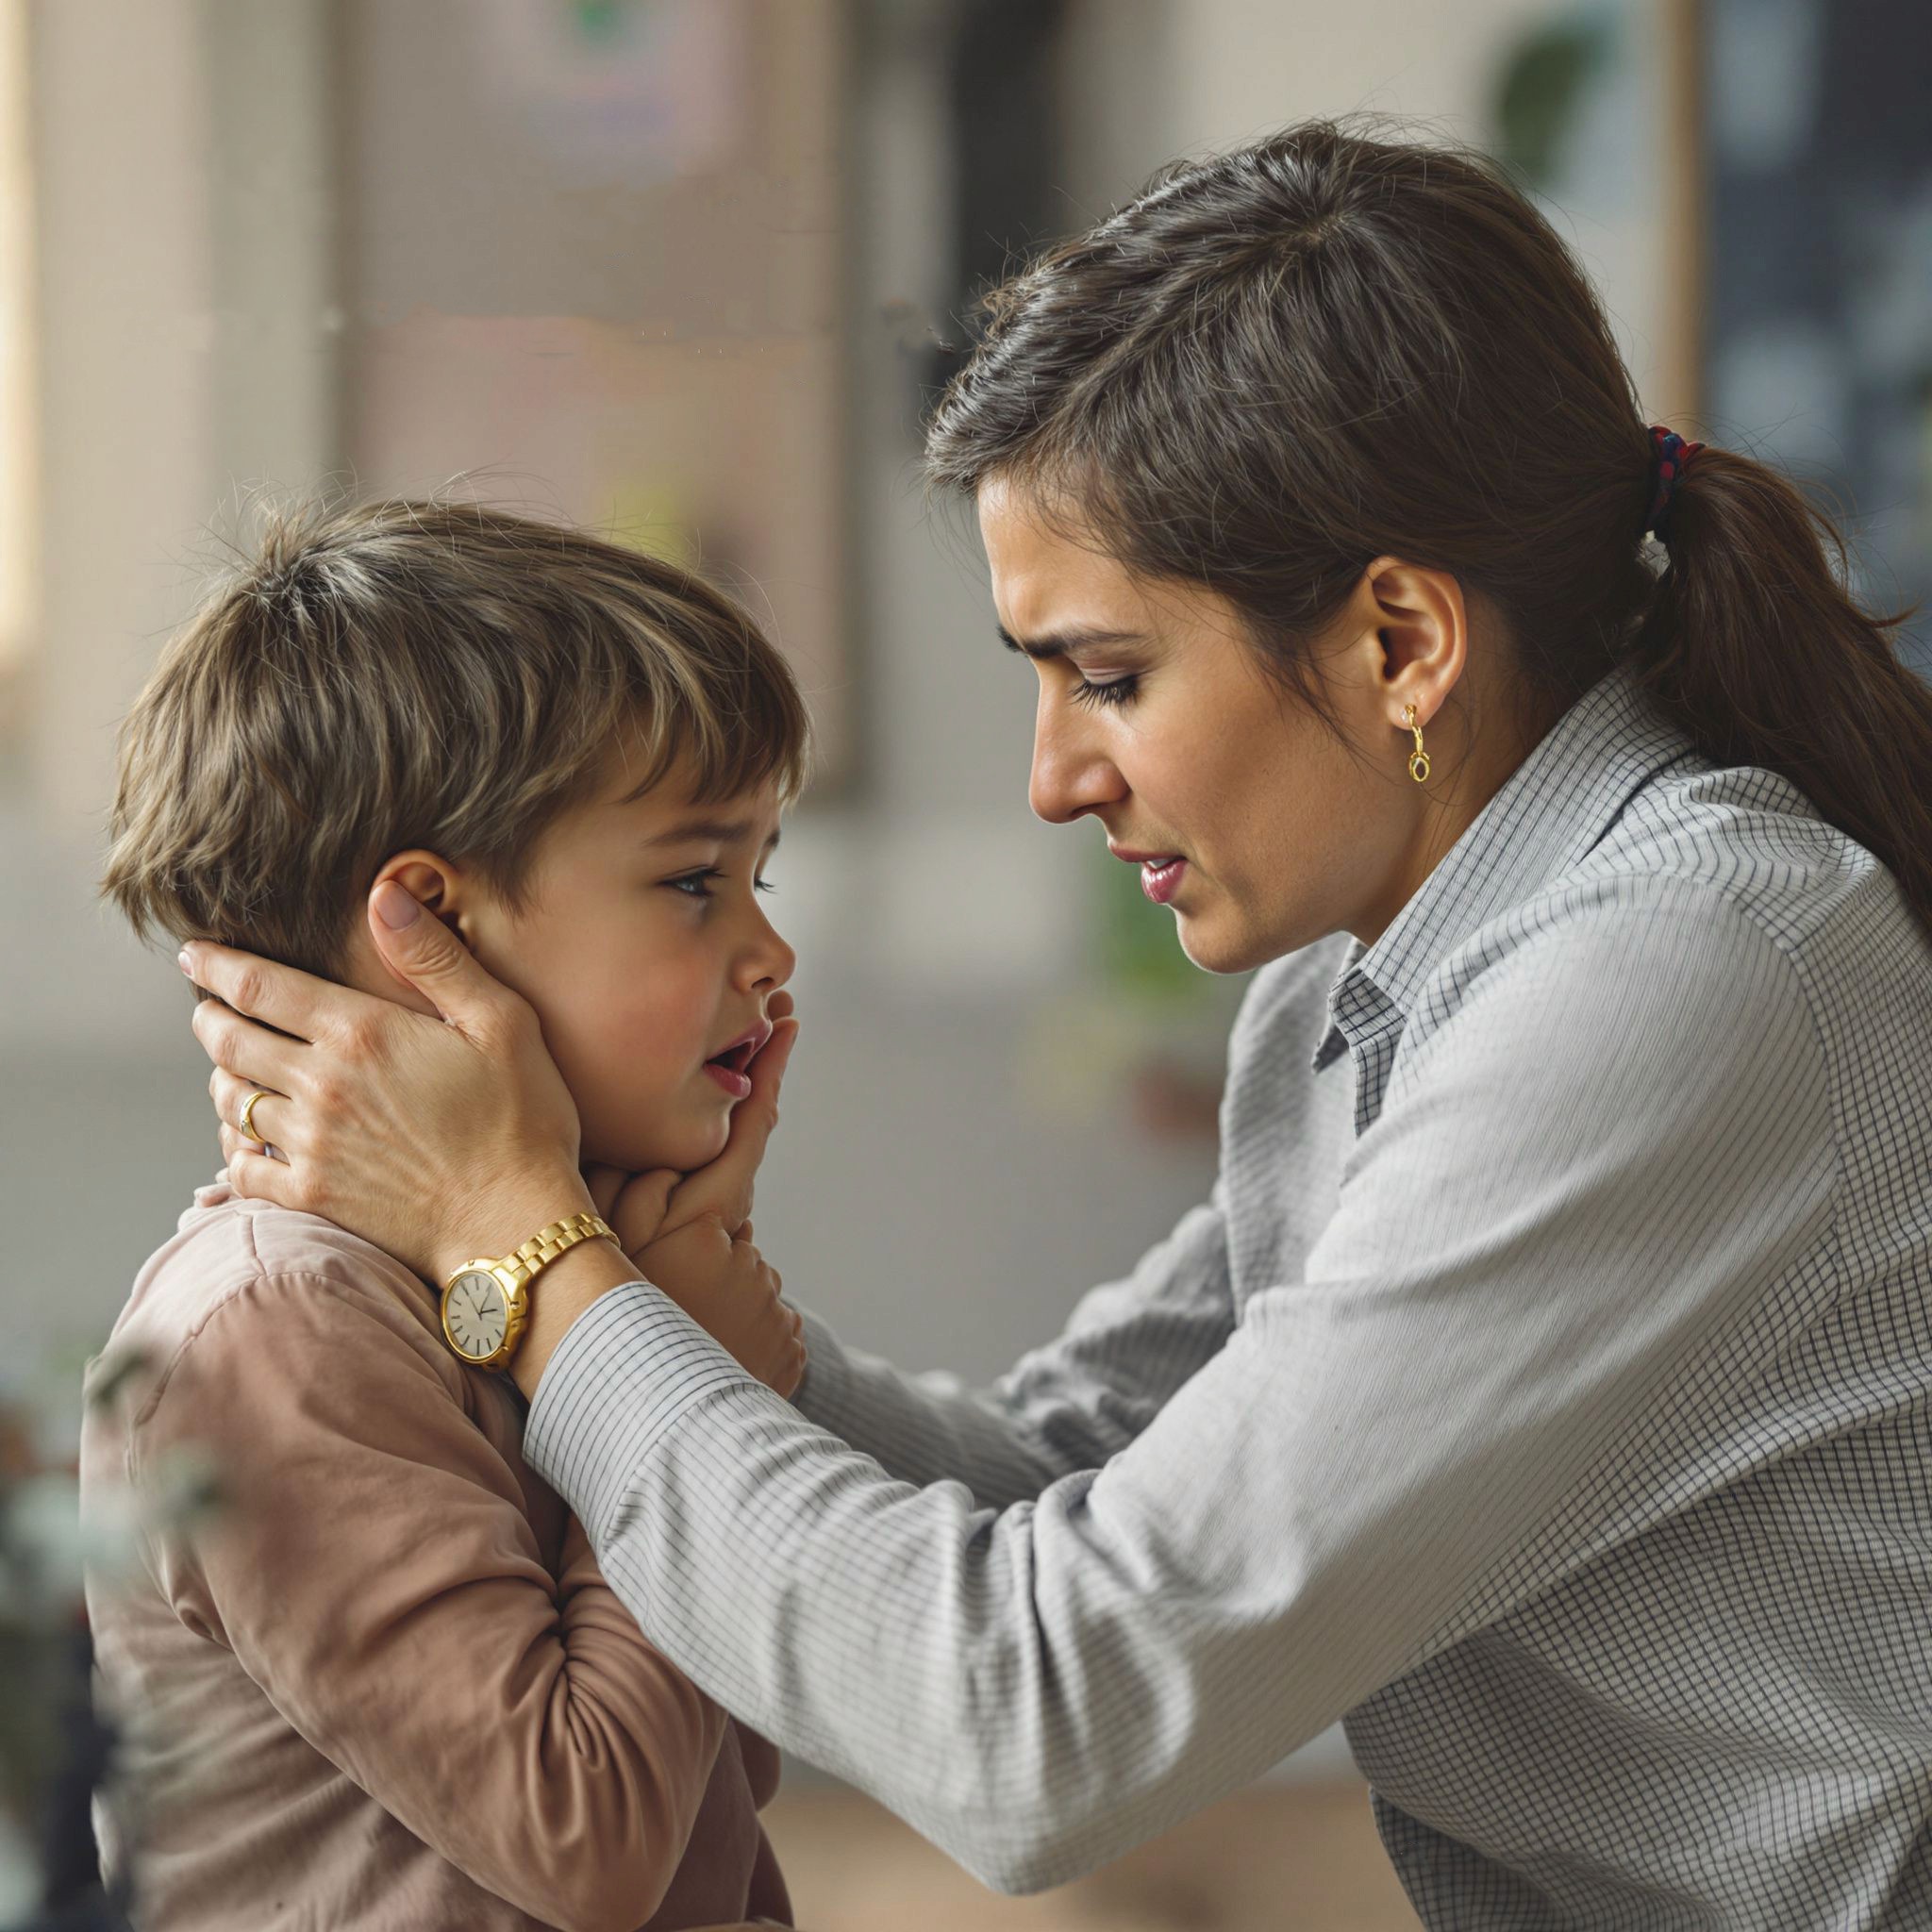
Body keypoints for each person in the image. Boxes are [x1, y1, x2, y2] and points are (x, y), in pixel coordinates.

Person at [181, 122, 1932, 1928]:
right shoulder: (1368, 974)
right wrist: (714, 1325)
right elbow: (1081, 1479)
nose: (1051, 783)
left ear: (1402, 642)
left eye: (1108, 677)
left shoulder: (1677, 977)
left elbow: (1041, 1723)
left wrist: (523, 1254)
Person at [83, 498, 808, 1932]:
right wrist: (689, 1384)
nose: (769, 947)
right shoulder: (274, 1326)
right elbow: (588, 1837)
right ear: (431, 927)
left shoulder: (518, 1275)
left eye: (759, 876)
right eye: (693, 880)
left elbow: (729, 1770)